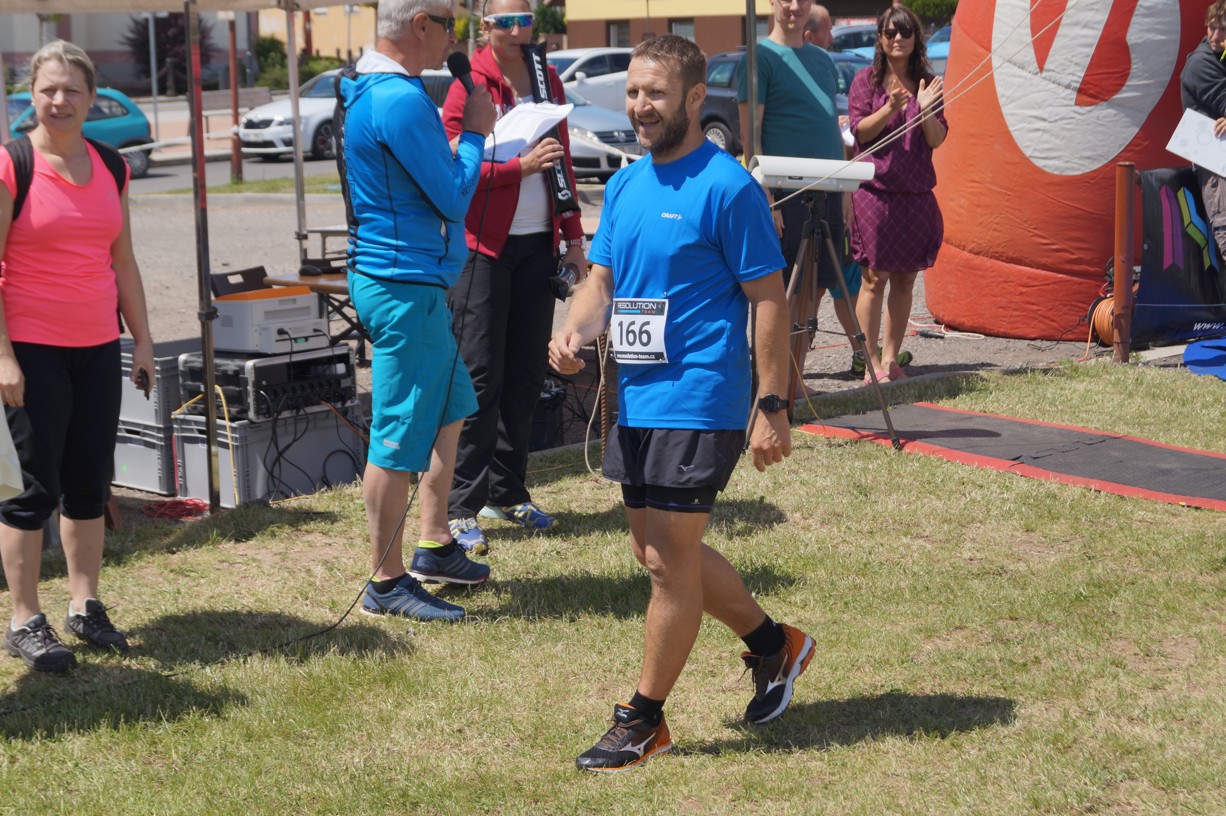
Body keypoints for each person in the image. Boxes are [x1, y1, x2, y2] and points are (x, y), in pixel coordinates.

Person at [549, 35, 812, 774]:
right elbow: (601, 282)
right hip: (636, 395)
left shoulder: (727, 188)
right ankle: (775, 645)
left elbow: (768, 299)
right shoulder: (627, 185)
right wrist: (572, 330)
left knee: (667, 562)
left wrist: (771, 403)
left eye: (655, 93)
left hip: (701, 394)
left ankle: (643, 720)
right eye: (633, 92)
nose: (640, 106)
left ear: (695, 98)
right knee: (656, 552)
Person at [336, 0, 497, 623]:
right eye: (450, 22)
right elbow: (453, 197)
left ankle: (434, 544)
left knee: (452, 408)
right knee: (397, 437)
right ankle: (386, 583)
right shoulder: (398, 99)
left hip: (410, 284)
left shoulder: (379, 91)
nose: (456, 35)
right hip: (403, 286)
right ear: (420, 25)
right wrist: (476, 133)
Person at [0, 40, 155, 673]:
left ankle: (84, 605)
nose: (59, 100)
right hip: (31, 348)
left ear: (94, 97)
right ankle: (23, 619)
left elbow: (123, 260)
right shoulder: (12, 164)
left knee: (89, 481)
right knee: (34, 488)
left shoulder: (112, 166)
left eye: (71, 90)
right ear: (31, 96)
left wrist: (142, 340)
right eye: (48, 90)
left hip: (96, 345)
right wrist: (3, 358)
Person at [441, 0, 587, 554]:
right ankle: (460, 505)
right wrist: (514, 169)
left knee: (526, 373)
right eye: (504, 21)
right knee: (480, 375)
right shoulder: (469, 83)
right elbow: (450, 167)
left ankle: (508, 491)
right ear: (484, 27)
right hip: (482, 247)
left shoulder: (547, 77)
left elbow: (563, 159)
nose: (515, 30)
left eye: (524, 20)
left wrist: (573, 239)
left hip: (537, 244)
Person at [738, 0, 855, 397]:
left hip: (828, 190)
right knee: (782, 292)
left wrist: (844, 190)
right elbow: (750, 135)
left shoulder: (823, 60)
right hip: (785, 193)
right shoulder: (759, 58)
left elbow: (830, 126)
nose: (794, 6)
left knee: (814, 290)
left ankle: (795, 380)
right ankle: (773, 388)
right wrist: (766, 197)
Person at [847, 3, 946, 384]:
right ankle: (869, 360)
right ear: (880, 39)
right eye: (891, 32)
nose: (898, 38)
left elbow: (937, 139)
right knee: (875, 278)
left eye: (906, 32)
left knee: (905, 279)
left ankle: (890, 359)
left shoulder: (927, 82)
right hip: (875, 191)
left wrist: (924, 110)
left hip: (916, 192)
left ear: (916, 38)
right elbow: (860, 132)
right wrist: (891, 107)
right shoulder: (866, 81)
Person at [1181, 0, 1226, 263]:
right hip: (1217, 169)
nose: (1216, 36)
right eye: (1212, 28)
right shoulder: (1201, 64)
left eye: (1224, 29)